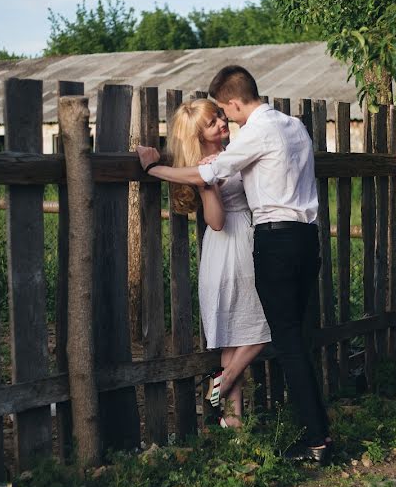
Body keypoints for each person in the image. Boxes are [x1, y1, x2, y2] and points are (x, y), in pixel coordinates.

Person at [136, 66, 330, 463]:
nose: (227, 120)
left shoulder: (255, 134)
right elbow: (212, 193)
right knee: (275, 335)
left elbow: (210, 172)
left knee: (280, 335)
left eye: (225, 112)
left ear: (235, 102)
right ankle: (253, 423)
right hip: (296, 238)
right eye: (217, 119)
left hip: (273, 239)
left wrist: (155, 169)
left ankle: (303, 434)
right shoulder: (294, 125)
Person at [165, 99, 270, 429]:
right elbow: (216, 221)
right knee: (249, 329)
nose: (221, 123)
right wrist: (207, 184)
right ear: (198, 135)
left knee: (246, 331)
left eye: (219, 116)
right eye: (212, 123)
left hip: (249, 239)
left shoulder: (234, 150)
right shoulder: (204, 166)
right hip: (230, 248)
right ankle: (228, 405)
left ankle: (226, 405)